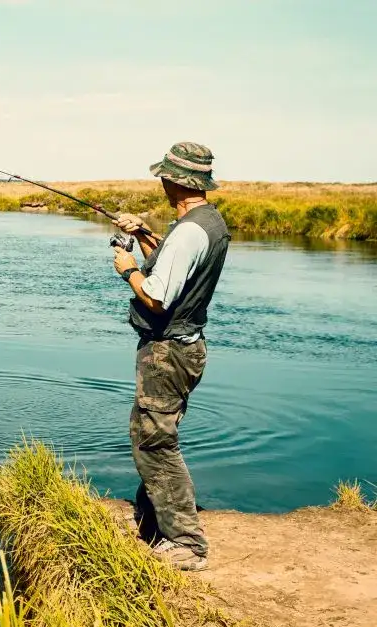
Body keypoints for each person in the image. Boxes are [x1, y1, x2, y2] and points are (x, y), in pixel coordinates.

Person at [111, 141, 231, 572]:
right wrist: (144, 235)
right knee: (151, 433)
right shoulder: (206, 223)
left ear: (173, 181)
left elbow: (159, 296)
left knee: (155, 441)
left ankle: (186, 543)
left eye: (164, 175)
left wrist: (127, 268)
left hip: (168, 352)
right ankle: (154, 524)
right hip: (185, 349)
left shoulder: (189, 232)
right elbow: (173, 267)